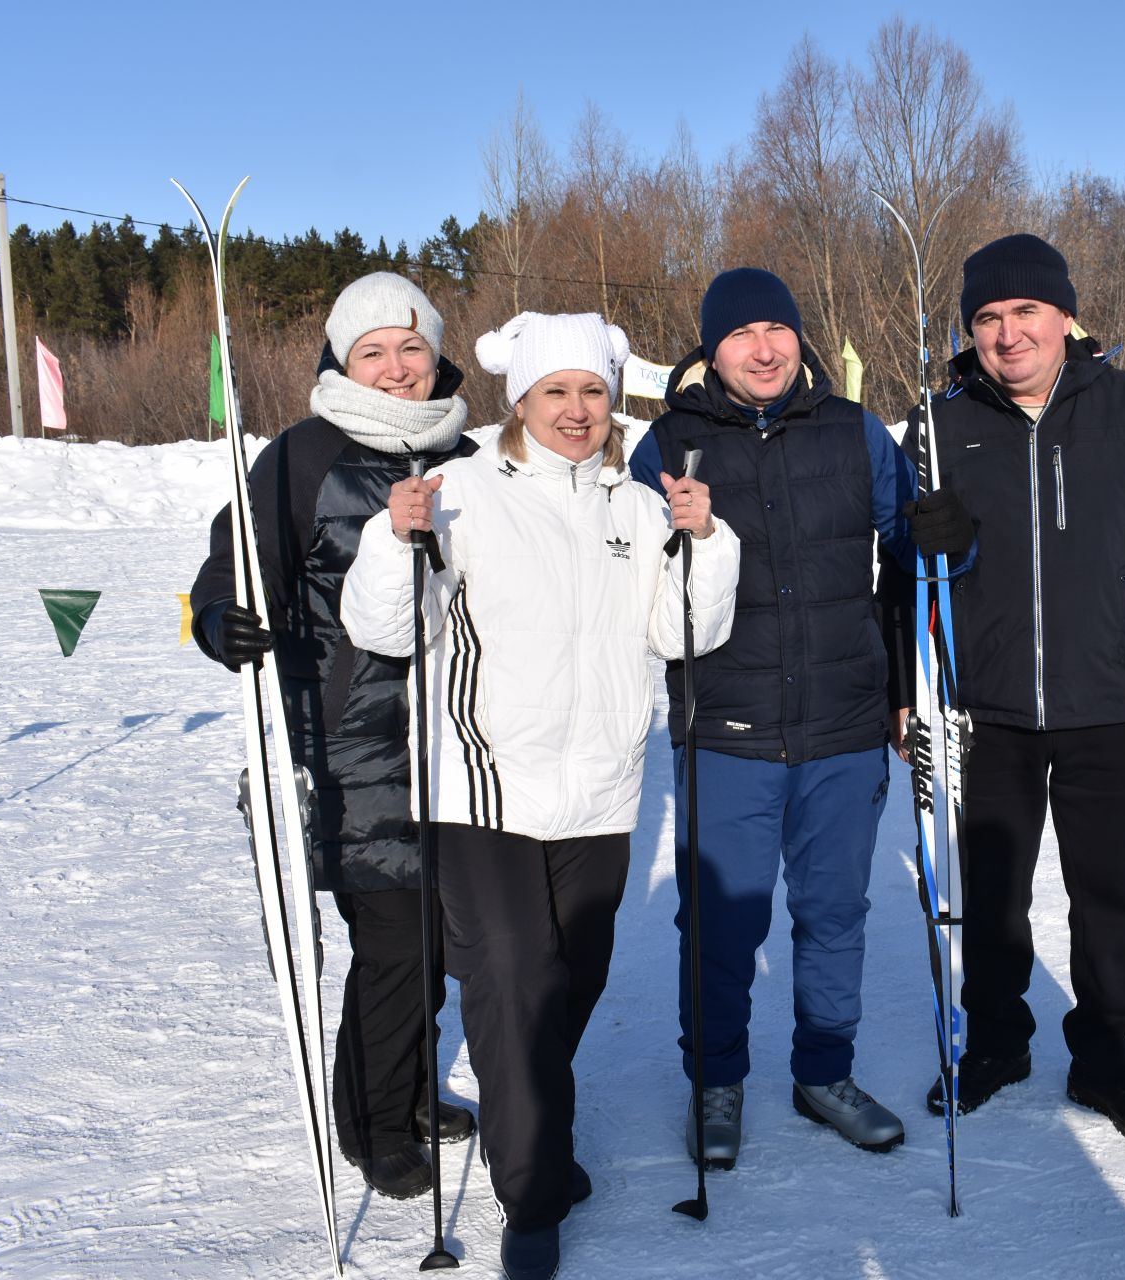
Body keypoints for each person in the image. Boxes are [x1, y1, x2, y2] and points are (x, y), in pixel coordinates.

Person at [341, 311, 738, 1280]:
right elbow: (385, 629)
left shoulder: (636, 506)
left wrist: (706, 540)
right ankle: (533, 1191)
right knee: (515, 982)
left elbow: (683, 636)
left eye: (593, 392)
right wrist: (395, 539)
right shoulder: (459, 491)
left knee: (566, 989)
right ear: (519, 399)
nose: (576, 410)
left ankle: (531, 1120)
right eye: (555, 391)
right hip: (483, 788)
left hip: (600, 792)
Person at [891, 234, 1125, 1149]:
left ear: (1065, 316)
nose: (1007, 335)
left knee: (1109, 894)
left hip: (1113, 708)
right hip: (988, 709)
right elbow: (905, 577)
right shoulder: (939, 424)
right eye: (988, 319)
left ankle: (1107, 1058)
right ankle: (997, 1041)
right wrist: (907, 667)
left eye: (1025, 313)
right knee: (993, 894)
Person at [629, 268, 972, 1170]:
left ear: (799, 337)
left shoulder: (854, 431)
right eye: (741, 335)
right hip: (727, 728)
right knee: (721, 924)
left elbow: (914, 546)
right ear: (710, 350)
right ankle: (716, 1083)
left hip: (844, 729)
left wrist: (949, 536)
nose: (764, 348)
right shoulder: (668, 443)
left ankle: (825, 1074)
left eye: (777, 329)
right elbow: (617, 565)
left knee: (835, 915)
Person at [189, 271, 478, 1201]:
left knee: (440, 933)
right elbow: (232, 566)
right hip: (348, 747)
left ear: (437, 355)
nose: (396, 370)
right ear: (342, 362)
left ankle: (408, 1082)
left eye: (411, 348)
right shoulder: (302, 456)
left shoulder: (470, 455)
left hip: (458, 741)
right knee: (395, 941)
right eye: (373, 352)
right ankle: (375, 1120)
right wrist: (217, 616)